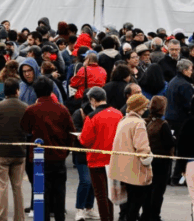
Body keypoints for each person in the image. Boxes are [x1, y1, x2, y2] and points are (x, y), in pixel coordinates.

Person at [20, 77, 75, 221]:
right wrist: (65, 151)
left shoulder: (31, 110)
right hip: (58, 157)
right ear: (51, 90)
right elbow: (71, 133)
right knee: (59, 193)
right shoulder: (62, 109)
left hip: (38, 159)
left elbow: (24, 129)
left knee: (41, 194)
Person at [0, 78, 27, 221]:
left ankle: (1, 217)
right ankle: (19, 218)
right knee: (17, 187)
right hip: (19, 151)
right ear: (17, 91)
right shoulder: (25, 107)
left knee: (1, 187)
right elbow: (29, 129)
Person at [79, 87, 123, 221]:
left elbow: (85, 141)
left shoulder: (91, 117)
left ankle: (106, 218)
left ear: (92, 100)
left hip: (96, 160)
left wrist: (79, 137)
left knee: (101, 194)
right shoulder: (118, 114)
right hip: (114, 159)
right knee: (112, 193)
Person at [109, 94, 153, 221]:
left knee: (127, 206)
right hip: (135, 171)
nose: (145, 109)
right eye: (144, 107)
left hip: (122, 170)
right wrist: (149, 158)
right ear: (139, 107)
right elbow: (142, 148)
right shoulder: (139, 123)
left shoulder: (123, 121)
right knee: (135, 205)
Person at [142, 96, 175, 221]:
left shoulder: (145, 122)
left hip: (148, 160)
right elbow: (169, 143)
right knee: (158, 191)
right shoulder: (163, 124)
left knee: (147, 189)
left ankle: (145, 214)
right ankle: (154, 215)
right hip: (162, 162)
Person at [166, 59, 194, 184]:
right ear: (185, 70)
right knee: (183, 149)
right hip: (181, 120)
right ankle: (177, 176)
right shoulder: (185, 85)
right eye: (190, 69)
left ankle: (172, 176)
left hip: (171, 118)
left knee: (173, 149)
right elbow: (189, 105)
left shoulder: (173, 81)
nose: (192, 72)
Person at [70, 91, 99, 221]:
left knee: (93, 182)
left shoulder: (98, 112)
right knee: (86, 181)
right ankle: (80, 209)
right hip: (82, 153)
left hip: (94, 152)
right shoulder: (79, 113)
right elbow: (74, 130)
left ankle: (89, 208)